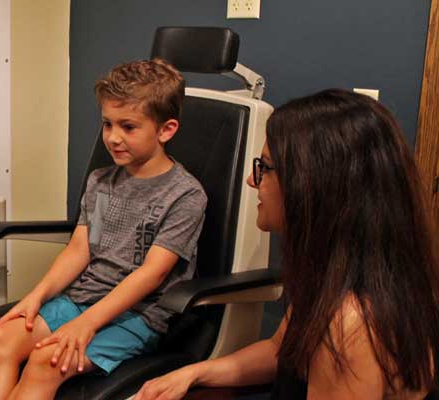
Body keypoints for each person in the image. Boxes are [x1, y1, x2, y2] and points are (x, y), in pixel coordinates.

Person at [135, 89, 439, 400]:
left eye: (264, 167)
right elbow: (280, 351)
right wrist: (193, 373)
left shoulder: (349, 322)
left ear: (313, 185)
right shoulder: (340, 276)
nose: (252, 181)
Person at [0, 59, 207, 400]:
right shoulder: (100, 181)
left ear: (166, 130)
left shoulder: (185, 195)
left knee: (45, 361)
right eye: (108, 124)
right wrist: (35, 296)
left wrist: (87, 324)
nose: (113, 137)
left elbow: (152, 276)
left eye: (128, 127)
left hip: (138, 316)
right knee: (2, 337)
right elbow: (78, 250)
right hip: (82, 297)